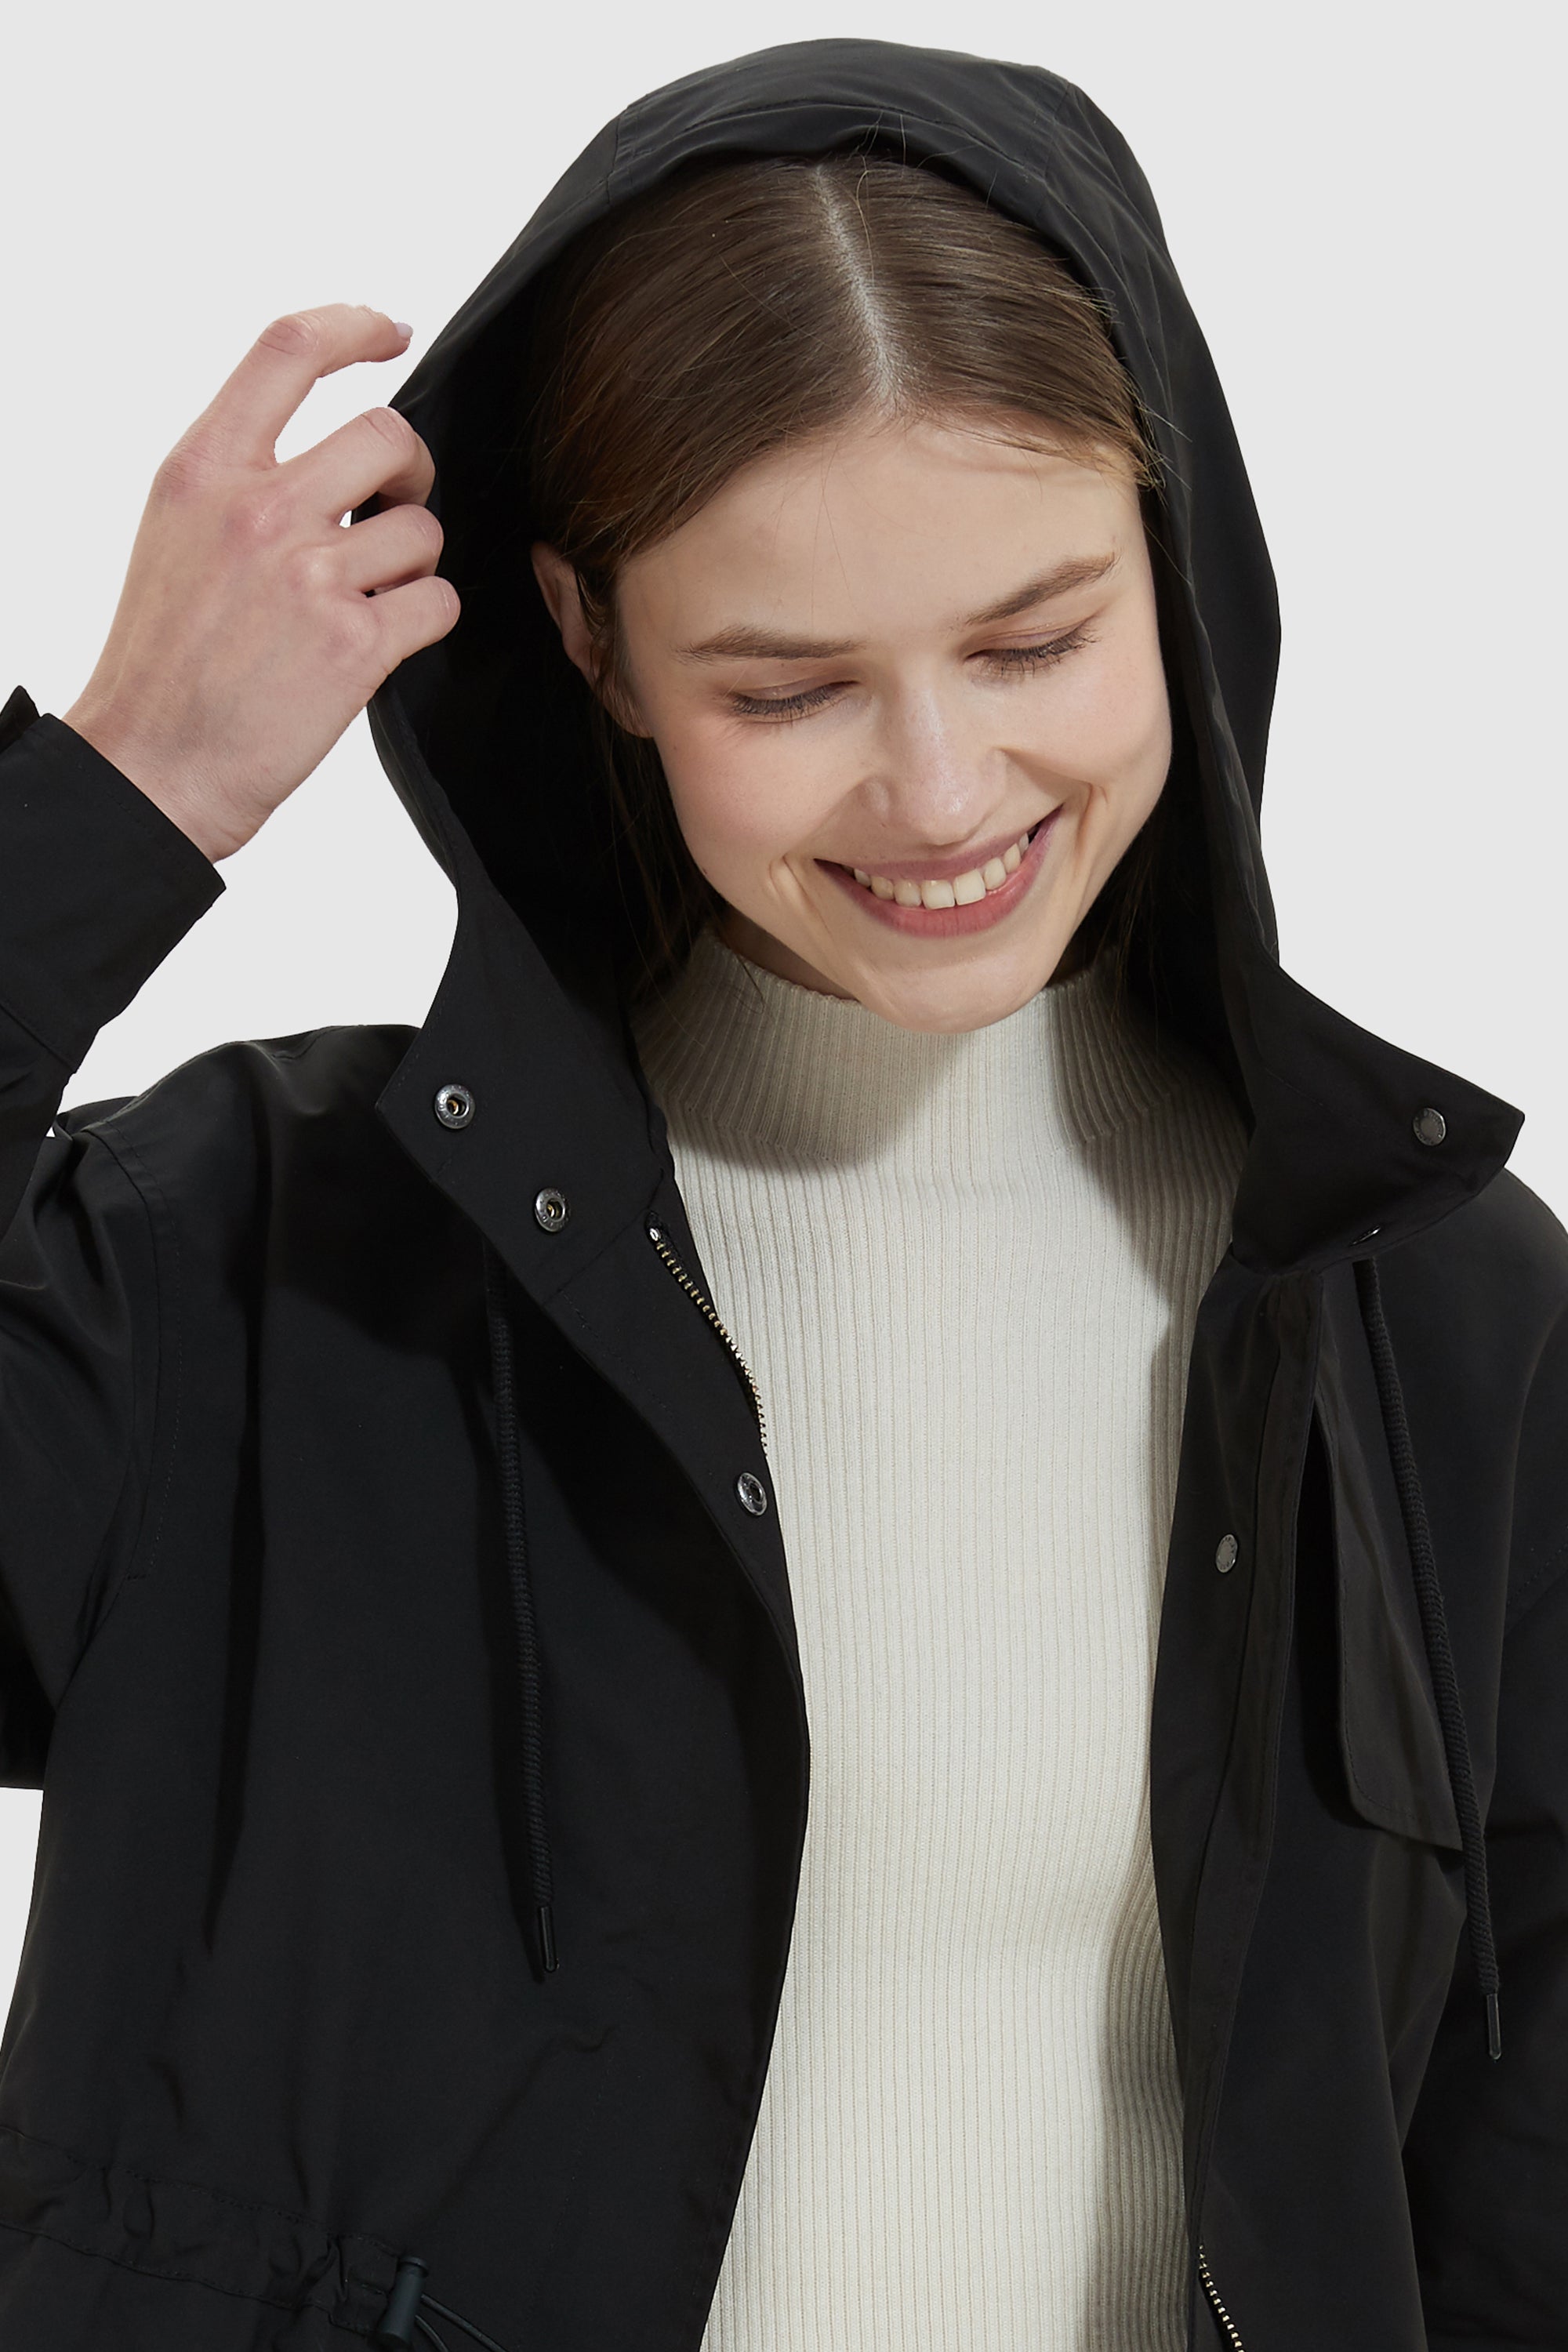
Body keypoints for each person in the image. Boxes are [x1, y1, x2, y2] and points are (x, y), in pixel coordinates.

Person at [0, 34, 1563, 2352]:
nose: (943, 792)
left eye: (1035, 640)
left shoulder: (1426, 1302)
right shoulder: (241, 1262)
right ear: (591, 640)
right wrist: (124, 794)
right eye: (788, 686)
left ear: (1169, 565)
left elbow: (1517, 2181)